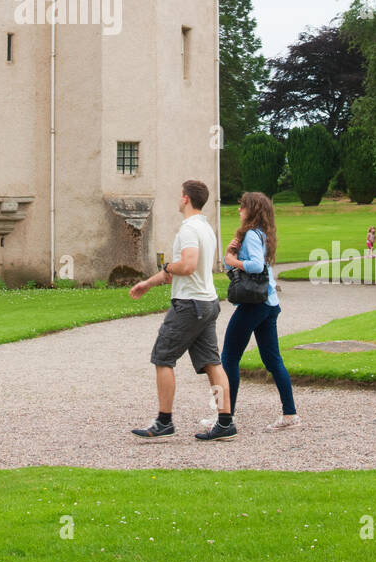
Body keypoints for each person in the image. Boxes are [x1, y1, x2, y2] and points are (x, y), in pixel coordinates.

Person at [128, 179, 236, 441]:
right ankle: (225, 422)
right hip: (208, 302)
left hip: (189, 305)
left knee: (163, 357)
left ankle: (164, 421)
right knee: (212, 363)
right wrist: (148, 283)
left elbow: (187, 265)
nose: (178, 199)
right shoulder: (207, 228)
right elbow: (183, 269)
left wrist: (167, 268)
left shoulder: (188, 229)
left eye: (180, 194)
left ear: (186, 198)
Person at [196, 190, 300, 437]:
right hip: (269, 303)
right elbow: (241, 262)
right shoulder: (261, 234)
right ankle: (290, 414)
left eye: (243, 207)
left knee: (229, 357)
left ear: (251, 210)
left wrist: (233, 261)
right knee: (273, 360)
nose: (239, 210)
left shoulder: (252, 235)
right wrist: (230, 255)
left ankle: (225, 418)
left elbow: (255, 265)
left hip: (254, 304)